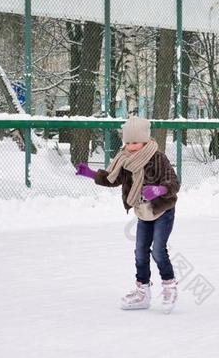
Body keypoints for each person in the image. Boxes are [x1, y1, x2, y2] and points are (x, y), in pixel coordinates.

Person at [75, 116, 181, 313]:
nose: (131, 147)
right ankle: (143, 291)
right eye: (128, 142)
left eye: (135, 142)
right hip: (143, 212)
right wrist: (90, 173)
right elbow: (112, 179)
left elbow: (174, 183)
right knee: (140, 252)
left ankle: (169, 287)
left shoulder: (158, 158)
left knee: (158, 250)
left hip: (162, 210)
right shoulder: (125, 159)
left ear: (146, 140)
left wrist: (160, 190)